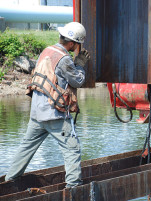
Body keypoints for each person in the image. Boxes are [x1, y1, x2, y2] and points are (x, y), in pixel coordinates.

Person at [5, 22, 90, 187]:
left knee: (26, 148)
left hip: (37, 113)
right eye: (78, 43)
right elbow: (78, 81)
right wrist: (79, 64)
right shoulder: (64, 58)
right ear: (72, 43)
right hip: (54, 114)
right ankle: (73, 186)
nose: (78, 47)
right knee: (72, 149)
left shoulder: (47, 51)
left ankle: (10, 181)